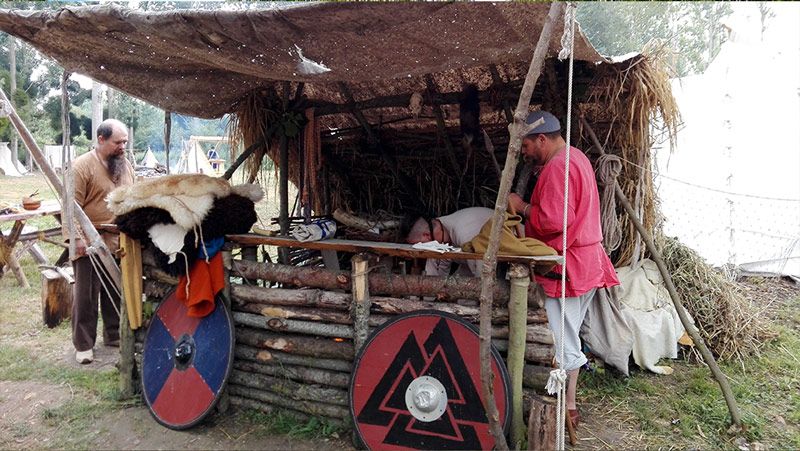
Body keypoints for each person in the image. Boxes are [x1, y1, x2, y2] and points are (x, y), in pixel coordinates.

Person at [507, 110, 619, 428]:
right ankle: (566, 403)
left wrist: (522, 207)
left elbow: (556, 222)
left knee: (561, 339)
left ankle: (566, 407)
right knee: (568, 335)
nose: (525, 153)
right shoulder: (576, 156)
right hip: (586, 262)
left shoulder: (558, 166)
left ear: (542, 139)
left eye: (526, 146)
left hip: (568, 265)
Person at [71, 119, 135, 364]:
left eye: (125, 142)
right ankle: (84, 345)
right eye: (118, 142)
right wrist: (77, 238)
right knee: (86, 296)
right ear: (101, 139)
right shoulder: (81, 166)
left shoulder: (125, 165)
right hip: (89, 240)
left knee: (115, 291)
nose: (123, 147)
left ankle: (114, 336)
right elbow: (70, 206)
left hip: (119, 240)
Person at [405, 206, 493, 277]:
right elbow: (433, 276)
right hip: (473, 261)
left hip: (492, 259)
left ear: (426, 236)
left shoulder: (465, 233)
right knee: (460, 293)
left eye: (417, 245)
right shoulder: (438, 235)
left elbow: (482, 275)